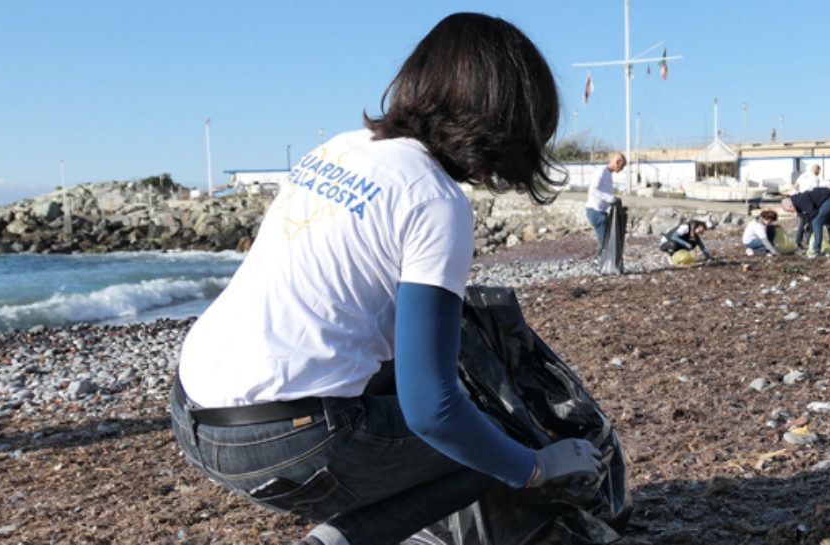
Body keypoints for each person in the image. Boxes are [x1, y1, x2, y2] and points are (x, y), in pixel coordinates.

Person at [169, 14, 605, 545]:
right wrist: (537, 466)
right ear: (507, 120)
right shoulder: (435, 202)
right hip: (280, 445)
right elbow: (434, 411)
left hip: (192, 409)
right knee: (492, 440)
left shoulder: (340, 148)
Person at [783, 185, 830, 257]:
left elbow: (813, 212)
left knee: (816, 221)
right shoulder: (797, 201)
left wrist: (809, 224)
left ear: (790, 206)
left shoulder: (800, 200)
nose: (792, 212)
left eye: (790, 211)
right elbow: (805, 215)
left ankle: (816, 250)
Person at [586, 152, 626, 250]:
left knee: (606, 239)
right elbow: (593, 190)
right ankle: (601, 261)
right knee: (605, 241)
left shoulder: (607, 173)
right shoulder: (601, 171)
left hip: (600, 211)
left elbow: (604, 192)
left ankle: (603, 260)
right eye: (622, 165)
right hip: (595, 211)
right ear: (617, 162)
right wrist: (611, 199)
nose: (622, 169)